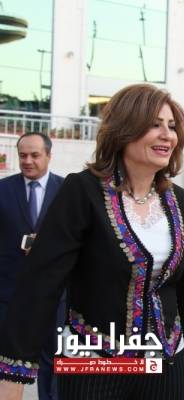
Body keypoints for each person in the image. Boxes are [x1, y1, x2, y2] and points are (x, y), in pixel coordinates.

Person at [0, 84, 184, 400]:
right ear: (124, 129)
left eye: (172, 126)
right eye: (154, 124)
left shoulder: (182, 202)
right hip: (93, 365)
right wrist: (13, 374)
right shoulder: (82, 192)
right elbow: (42, 281)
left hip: (165, 364)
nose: (167, 135)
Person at [0, 132, 65, 400]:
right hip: (9, 296)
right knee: (6, 366)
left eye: (35, 155)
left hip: (54, 296)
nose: (28, 161)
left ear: (48, 155)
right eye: (23, 155)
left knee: (53, 364)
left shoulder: (67, 192)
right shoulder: (3, 190)